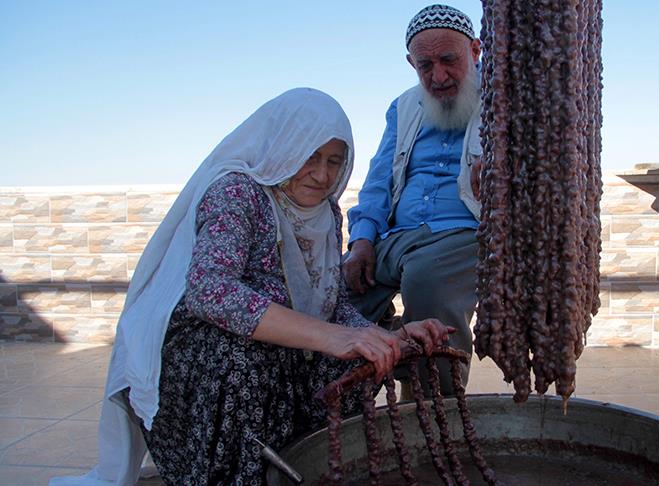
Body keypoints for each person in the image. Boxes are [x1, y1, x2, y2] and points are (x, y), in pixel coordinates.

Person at [51, 88, 451, 486]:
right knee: (246, 356)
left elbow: (330, 305)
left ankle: (306, 466)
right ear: (284, 148)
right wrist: (332, 337)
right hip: (204, 364)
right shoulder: (238, 192)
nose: (323, 174)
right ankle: (231, 476)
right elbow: (209, 290)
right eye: (309, 156)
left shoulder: (326, 211)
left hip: (283, 358)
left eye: (334, 161)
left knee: (358, 355)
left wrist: (387, 337)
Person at [344, 4, 482, 396]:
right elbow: (379, 179)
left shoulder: (507, 100)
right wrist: (363, 240)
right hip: (398, 234)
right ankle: (360, 396)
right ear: (411, 63)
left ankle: (432, 413)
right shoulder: (403, 106)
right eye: (425, 65)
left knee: (427, 282)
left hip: (464, 231)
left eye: (449, 60)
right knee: (338, 292)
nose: (437, 76)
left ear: (475, 51)